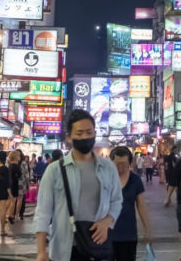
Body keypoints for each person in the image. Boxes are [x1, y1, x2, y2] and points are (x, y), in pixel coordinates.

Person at [35, 109, 122, 261]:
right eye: (79, 133)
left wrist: (107, 222)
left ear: (95, 133)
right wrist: (41, 251)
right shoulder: (54, 170)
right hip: (64, 250)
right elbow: (43, 211)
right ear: (69, 137)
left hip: (98, 246)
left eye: (89, 132)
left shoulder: (108, 168)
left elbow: (116, 201)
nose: (85, 137)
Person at [110, 146, 153, 261]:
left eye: (124, 164)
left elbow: (141, 206)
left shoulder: (135, 180)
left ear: (130, 163)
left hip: (128, 234)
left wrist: (147, 229)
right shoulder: (104, 179)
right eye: (117, 164)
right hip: (106, 234)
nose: (120, 167)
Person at [6, 151, 22, 225]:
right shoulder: (16, 166)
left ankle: (6, 214)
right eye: (18, 156)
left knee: (10, 200)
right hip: (14, 184)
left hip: (9, 184)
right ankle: (10, 215)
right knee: (13, 200)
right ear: (16, 157)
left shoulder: (10, 165)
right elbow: (19, 175)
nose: (20, 157)